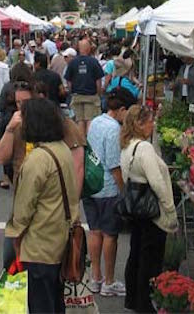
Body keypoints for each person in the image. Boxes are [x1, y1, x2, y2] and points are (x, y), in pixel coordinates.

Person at [4, 98, 80, 314]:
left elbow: (24, 207)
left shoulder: (38, 158)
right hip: (60, 240)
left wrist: (15, 235)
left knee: (40, 304)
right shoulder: (62, 149)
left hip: (40, 245)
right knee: (56, 302)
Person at [120, 105, 178, 312]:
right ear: (140, 124)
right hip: (152, 211)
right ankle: (145, 304)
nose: (153, 125)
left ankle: (133, 298)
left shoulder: (128, 145)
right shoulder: (144, 149)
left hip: (137, 209)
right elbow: (157, 183)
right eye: (150, 121)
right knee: (150, 259)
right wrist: (170, 209)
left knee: (136, 253)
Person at [84, 88, 137, 297]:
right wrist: (125, 192)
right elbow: (115, 167)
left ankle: (95, 278)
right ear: (122, 109)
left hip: (91, 185)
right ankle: (109, 281)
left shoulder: (96, 121)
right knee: (110, 235)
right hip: (108, 188)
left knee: (95, 231)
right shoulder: (114, 129)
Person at [65, 38, 104, 137]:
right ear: (89, 48)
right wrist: (98, 94)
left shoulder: (73, 62)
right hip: (91, 96)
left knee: (79, 120)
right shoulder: (94, 62)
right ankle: (89, 144)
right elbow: (98, 81)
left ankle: (81, 143)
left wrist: (72, 91)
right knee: (90, 120)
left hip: (77, 96)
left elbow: (68, 80)